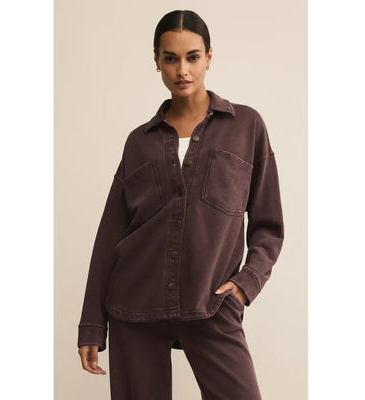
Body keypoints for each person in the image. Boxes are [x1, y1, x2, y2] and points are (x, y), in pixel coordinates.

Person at [77, 9, 284, 400]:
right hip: (135, 305)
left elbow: (268, 225)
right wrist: (92, 324)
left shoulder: (246, 127)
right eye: (170, 58)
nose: (182, 69)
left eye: (192, 57)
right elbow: (110, 237)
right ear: (157, 61)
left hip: (212, 301)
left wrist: (245, 284)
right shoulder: (139, 142)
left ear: (209, 57)